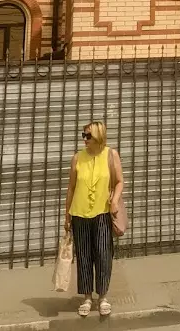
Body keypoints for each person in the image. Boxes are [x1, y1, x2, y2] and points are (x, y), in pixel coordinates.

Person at [64, 121, 124, 317]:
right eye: (83, 135)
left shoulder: (110, 155)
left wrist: (114, 201)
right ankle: (87, 297)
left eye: (88, 135)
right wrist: (67, 215)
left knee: (103, 254)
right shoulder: (77, 158)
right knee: (83, 256)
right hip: (79, 214)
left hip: (102, 213)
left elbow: (119, 182)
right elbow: (71, 187)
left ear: (98, 136)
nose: (84, 139)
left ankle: (103, 297)